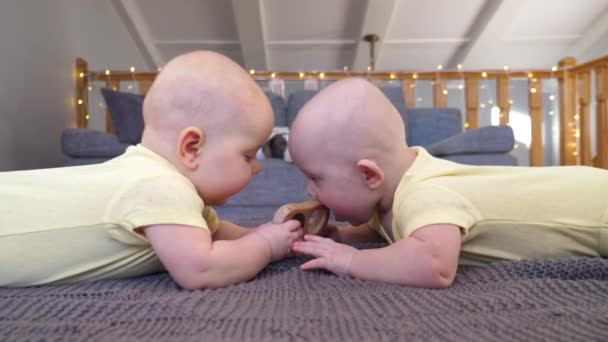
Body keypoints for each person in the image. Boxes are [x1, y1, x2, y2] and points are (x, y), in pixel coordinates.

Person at [0, 51, 303, 289]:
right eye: (248, 155)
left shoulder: (159, 183)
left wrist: (265, 234)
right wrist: (264, 246)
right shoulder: (161, 186)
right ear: (192, 148)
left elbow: (215, 232)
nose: (258, 167)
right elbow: (202, 268)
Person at [289, 78, 608, 288]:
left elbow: (433, 265)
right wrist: (343, 236)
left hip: (596, 211)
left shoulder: (426, 194)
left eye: (316, 178)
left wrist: (350, 260)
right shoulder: (394, 193)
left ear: (369, 175)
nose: (309, 191)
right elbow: (388, 228)